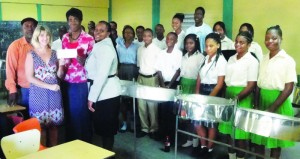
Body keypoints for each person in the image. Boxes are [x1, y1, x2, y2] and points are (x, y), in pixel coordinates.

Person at [251, 25, 296, 159]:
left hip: (279, 103)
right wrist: (256, 103)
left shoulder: (287, 60)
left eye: (274, 38)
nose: (270, 41)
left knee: (274, 141)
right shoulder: (263, 59)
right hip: (263, 101)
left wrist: (272, 108)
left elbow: (288, 88)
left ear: (281, 39)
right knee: (259, 138)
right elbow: (259, 84)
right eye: (267, 38)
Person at [218, 31, 259, 159]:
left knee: (240, 134)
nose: (238, 44)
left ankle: (240, 157)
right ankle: (231, 156)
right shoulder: (231, 58)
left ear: (249, 45)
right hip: (229, 95)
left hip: (243, 97)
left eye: (242, 42)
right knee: (229, 132)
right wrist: (226, 97)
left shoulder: (252, 61)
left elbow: (251, 85)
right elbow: (226, 81)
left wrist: (236, 98)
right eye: (236, 41)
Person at [25, 25, 64, 147]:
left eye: (47, 35)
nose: (45, 38)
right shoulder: (31, 54)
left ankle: (53, 153)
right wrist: (49, 86)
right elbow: (29, 77)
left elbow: (59, 76)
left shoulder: (54, 53)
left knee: (54, 127)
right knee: (40, 128)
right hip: (38, 94)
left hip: (54, 94)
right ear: (37, 36)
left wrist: (62, 65)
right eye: (42, 35)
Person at [85, 21, 121, 151]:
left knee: (107, 130)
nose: (97, 32)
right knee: (104, 129)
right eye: (96, 30)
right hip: (103, 92)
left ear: (108, 33)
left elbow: (101, 76)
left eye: (102, 30)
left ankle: (108, 155)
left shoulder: (105, 48)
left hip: (107, 94)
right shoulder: (99, 45)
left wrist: (91, 98)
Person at [61, 7, 94, 142]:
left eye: (75, 19)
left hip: (81, 81)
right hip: (66, 80)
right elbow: (62, 58)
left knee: (81, 113)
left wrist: (85, 60)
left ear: (81, 21)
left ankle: (85, 142)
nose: (72, 22)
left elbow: (94, 62)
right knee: (69, 113)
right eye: (70, 19)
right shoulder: (64, 38)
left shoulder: (89, 39)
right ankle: (71, 142)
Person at [194, 33, 227, 156]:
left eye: (211, 46)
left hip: (213, 93)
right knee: (198, 121)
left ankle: (209, 148)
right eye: (206, 46)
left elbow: (219, 84)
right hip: (202, 91)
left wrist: (208, 99)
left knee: (211, 123)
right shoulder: (205, 59)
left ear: (218, 45)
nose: (208, 48)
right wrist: (197, 94)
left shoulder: (221, 61)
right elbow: (199, 78)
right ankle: (203, 145)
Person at [5, 17, 38, 118]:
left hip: (39, 89)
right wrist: (12, 90)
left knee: (38, 120)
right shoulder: (15, 46)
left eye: (32, 26)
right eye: (26, 26)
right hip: (23, 91)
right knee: (23, 119)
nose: (29, 28)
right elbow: (10, 69)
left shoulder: (41, 45)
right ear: (22, 29)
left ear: (36, 28)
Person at [180, 34, 204, 150]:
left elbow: (200, 75)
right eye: (186, 43)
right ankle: (189, 138)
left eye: (191, 43)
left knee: (193, 115)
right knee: (185, 115)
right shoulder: (184, 56)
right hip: (184, 85)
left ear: (196, 44)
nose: (188, 45)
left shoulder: (200, 57)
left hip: (194, 86)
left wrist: (196, 91)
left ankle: (194, 140)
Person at [156, 32, 182, 143]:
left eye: (172, 38)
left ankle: (171, 137)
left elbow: (178, 70)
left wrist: (169, 86)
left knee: (171, 111)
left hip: (173, 84)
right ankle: (163, 134)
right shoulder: (161, 53)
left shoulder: (178, 53)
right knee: (162, 110)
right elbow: (158, 69)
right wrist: (163, 85)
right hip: (163, 84)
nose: (169, 40)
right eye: (167, 38)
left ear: (176, 41)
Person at [136, 28, 161, 138]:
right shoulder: (140, 49)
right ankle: (144, 128)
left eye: (148, 36)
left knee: (152, 105)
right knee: (141, 105)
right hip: (141, 77)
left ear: (152, 37)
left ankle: (154, 129)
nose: (146, 38)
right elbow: (139, 65)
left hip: (152, 78)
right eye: (144, 35)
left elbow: (159, 67)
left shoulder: (157, 50)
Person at [116, 25, 139, 132]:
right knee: (123, 98)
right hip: (121, 70)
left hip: (133, 71)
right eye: (126, 32)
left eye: (130, 32)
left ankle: (133, 123)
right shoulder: (118, 46)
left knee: (133, 98)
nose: (128, 34)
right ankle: (124, 122)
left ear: (133, 35)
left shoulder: (137, 46)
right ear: (123, 34)